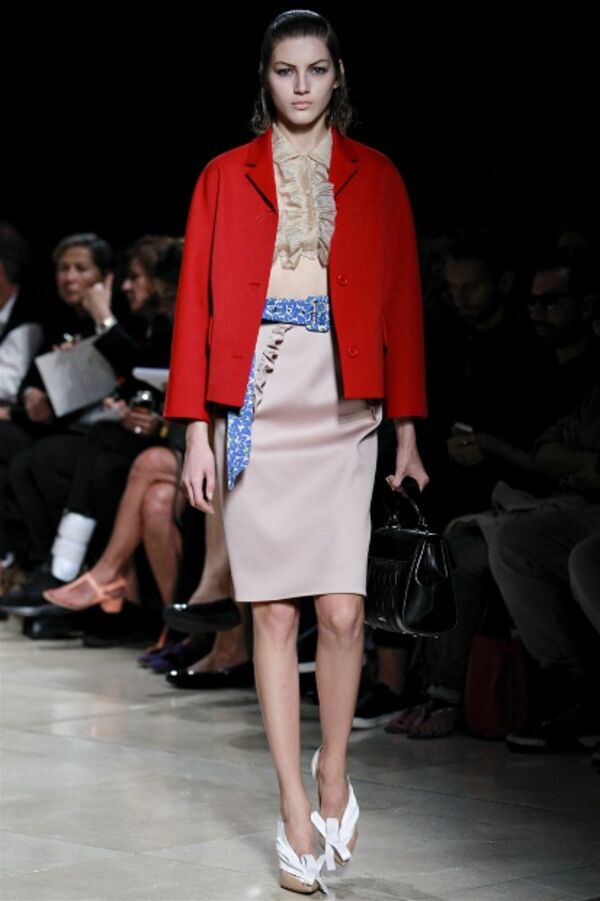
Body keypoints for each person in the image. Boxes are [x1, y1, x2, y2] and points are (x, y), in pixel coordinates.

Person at [164, 11, 428, 895]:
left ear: (338, 73)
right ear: (266, 78)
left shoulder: (377, 175)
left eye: (317, 69)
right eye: (286, 70)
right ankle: (291, 804)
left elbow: (402, 303)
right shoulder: (223, 175)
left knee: (344, 609)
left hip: (347, 401)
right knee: (273, 614)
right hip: (258, 397)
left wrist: (408, 429)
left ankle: (333, 770)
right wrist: (194, 429)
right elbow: (196, 305)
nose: (303, 85)